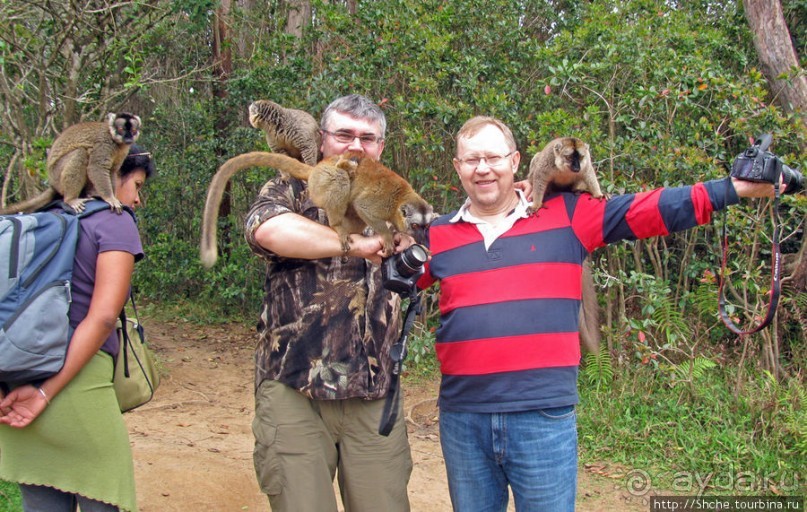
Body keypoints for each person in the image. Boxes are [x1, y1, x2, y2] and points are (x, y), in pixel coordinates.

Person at [416, 116, 783, 512]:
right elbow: (385, 276)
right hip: (464, 419)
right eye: (472, 160)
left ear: (515, 161)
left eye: (493, 157)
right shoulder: (437, 235)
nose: (483, 168)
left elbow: (651, 209)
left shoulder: (571, 214)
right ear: (458, 167)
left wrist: (732, 188)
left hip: (542, 418)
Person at [244, 94, 413, 512]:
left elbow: (445, 234)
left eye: (367, 138)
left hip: (374, 391)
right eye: (344, 135)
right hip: (294, 385)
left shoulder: (393, 194)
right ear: (321, 140)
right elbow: (267, 229)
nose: (356, 146)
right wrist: (356, 244)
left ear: (380, 147)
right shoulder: (292, 186)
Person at [0, 144, 155, 512]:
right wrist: (45, 393)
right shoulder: (115, 222)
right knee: (106, 498)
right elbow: (102, 318)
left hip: (17, 385)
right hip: (78, 384)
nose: (137, 199)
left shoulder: (43, 217)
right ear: (111, 176)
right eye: (136, 185)